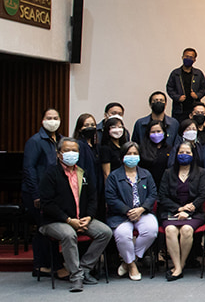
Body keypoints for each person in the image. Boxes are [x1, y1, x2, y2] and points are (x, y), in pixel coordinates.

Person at [38, 138, 113, 292]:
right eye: (67, 150)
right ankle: (76, 277)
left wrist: (89, 217)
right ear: (59, 154)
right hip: (54, 221)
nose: (71, 153)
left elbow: (93, 198)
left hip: (81, 219)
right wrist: (68, 220)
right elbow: (47, 203)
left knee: (105, 232)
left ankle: (84, 268)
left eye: (74, 150)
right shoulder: (51, 174)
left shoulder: (82, 173)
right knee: (68, 234)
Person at [104, 142, 158, 281]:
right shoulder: (114, 176)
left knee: (151, 230)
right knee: (123, 235)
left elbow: (153, 194)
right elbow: (110, 198)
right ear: (122, 156)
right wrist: (128, 211)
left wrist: (141, 209)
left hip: (143, 213)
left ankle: (128, 260)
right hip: (120, 215)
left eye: (135, 154)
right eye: (129, 154)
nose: (132, 157)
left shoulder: (146, 174)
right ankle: (132, 265)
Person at [157, 141, 205, 281]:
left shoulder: (201, 172)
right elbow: (162, 196)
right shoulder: (168, 173)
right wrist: (178, 209)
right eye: (181, 152)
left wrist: (189, 210)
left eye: (187, 152)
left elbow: (203, 195)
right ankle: (177, 266)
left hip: (194, 212)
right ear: (176, 154)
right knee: (170, 230)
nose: (184, 155)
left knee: (186, 230)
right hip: (171, 211)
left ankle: (180, 265)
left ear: (193, 155)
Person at [23, 108, 63, 276]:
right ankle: (41, 266)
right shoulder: (36, 140)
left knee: (51, 228)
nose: (52, 120)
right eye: (49, 118)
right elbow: (29, 168)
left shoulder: (60, 139)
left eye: (55, 117)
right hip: (37, 193)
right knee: (42, 228)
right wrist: (36, 194)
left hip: (53, 193)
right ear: (42, 121)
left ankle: (52, 264)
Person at [166, 48, 205, 122]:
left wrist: (197, 95)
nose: (188, 59)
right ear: (182, 57)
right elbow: (169, 88)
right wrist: (177, 97)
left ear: (194, 60)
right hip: (179, 109)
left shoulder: (198, 73)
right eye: (186, 56)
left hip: (194, 109)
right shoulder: (175, 73)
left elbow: (204, 88)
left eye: (191, 57)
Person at [138, 119, 173, 186]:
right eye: (153, 132)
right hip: (146, 184)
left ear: (164, 132)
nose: (156, 134)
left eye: (159, 131)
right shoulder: (142, 149)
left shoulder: (169, 149)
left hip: (164, 185)